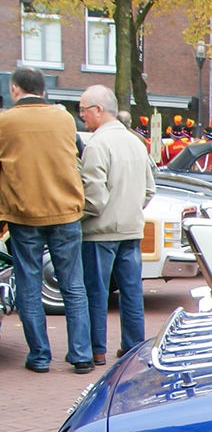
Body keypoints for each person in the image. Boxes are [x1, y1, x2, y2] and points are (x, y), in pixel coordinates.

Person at [0, 67, 92, 373]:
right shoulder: (65, 118)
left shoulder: (5, 121)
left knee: (28, 284)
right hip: (65, 210)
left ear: (15, 90)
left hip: (24, 212)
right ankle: (81, 354)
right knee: (73, 285)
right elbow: (78, 154)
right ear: (43, 90)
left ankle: (40, 356)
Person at [76, 85, 155, 365]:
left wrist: (80, 215)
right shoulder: (135, 141)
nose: (82, 115)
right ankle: (134, 347)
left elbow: (94, 197)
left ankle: (97, 349)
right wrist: (131, 208)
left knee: (96, 292)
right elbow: (149, 189)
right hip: (131, 228)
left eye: (83, 109)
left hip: (99, 231)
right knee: (132, 291)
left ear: (98, 110)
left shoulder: (97, 144)